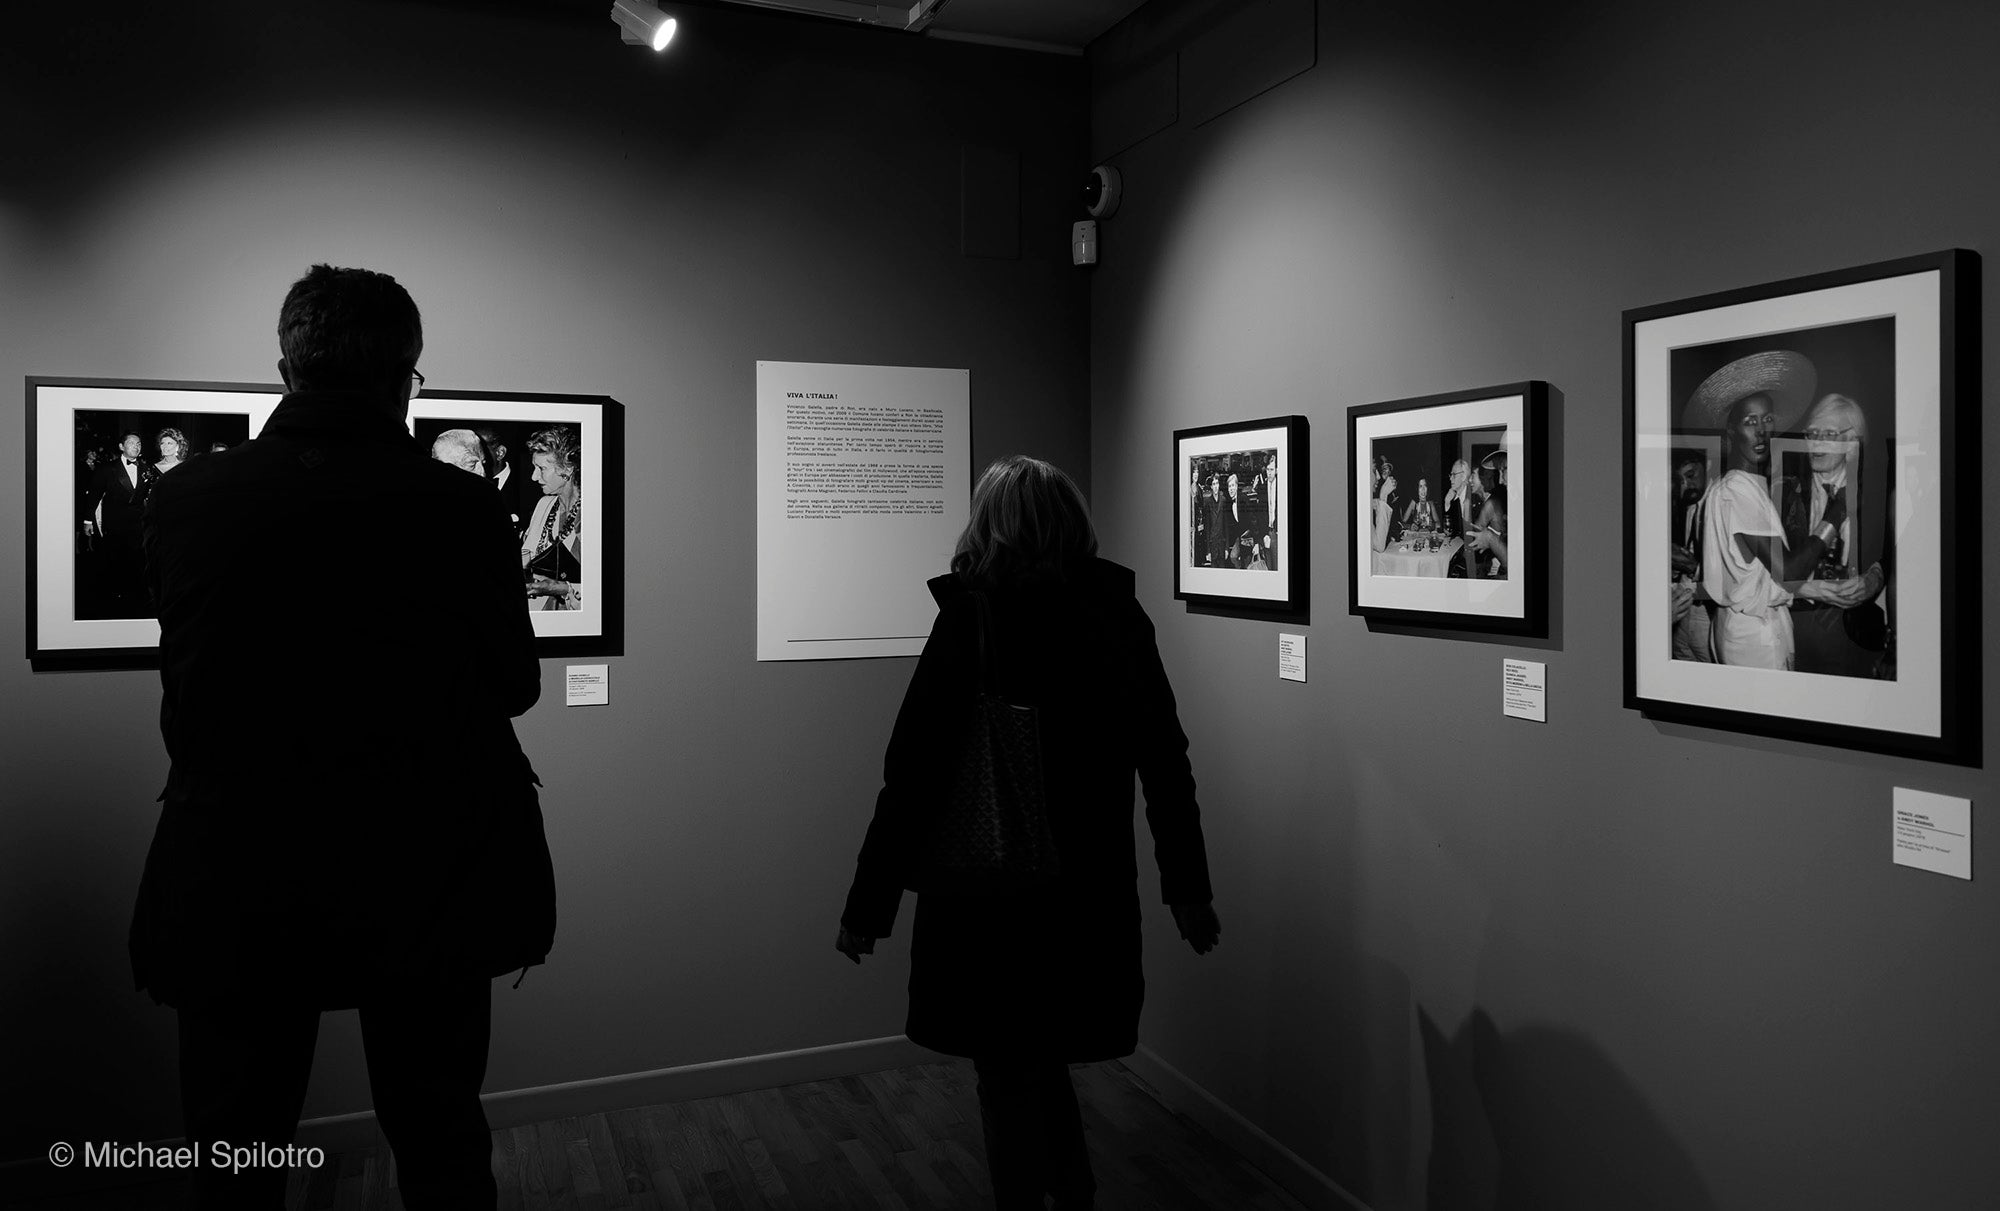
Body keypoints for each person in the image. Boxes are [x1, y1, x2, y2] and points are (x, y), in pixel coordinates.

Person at [131, 264, 553, 1210]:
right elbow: (516, 686)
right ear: (405, 376)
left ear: (287, 369)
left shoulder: (185, 497)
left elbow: (192, 688)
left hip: (238, 860)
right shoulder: (462, 507)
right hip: (428, 861)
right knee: (440, 1138)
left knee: (234, 1146)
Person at [837, 456, 1219, 1211]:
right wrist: (1188, 888)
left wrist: (867, 906)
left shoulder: (972, 618)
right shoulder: (1116, 616)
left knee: (1007, 1065)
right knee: (1038, 1058)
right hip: (1086, 889)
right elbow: (1165, 761)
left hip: (990, 889)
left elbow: (910, 775)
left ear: (991, 525)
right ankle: (1074, 1195)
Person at [1684, 350, 1846, 668]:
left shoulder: (1741, 485)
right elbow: (1788, 572)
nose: (1761, 431)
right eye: (1750, 421)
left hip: (1745, 627)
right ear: (1731, 430)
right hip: (1754, 637)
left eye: (1767, 419)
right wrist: (1835, 515)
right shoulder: (1736, 490)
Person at [1779, 393, 1891, 677]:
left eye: (1828, 434)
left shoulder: (1876, 494)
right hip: (1794, 628)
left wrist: (1875, 578)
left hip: (1856, 636)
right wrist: (1802, 587)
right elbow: (1766, 567)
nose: (1815, 442)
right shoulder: (1783, 492)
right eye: (1812, 433)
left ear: (1852, 444)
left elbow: (1896, 552)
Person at [82, 430, 159, 617]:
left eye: (139, 443)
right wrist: (87, 520)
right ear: (121, 447)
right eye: (132, 443)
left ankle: (135, 597)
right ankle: (114, 596)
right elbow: (94, 496)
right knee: (114, 560)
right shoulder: (107, 469)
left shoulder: (146, 469)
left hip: (138, 524)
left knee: (137, 560)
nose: (136, 446)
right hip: (114, 523)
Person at [522, 424, 582, 610]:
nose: (534, 477)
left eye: (541, 468)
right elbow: (527, 557)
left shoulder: (594, 515)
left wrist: (561, 588)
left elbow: (604, 590)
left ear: (568, 469)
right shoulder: (544, 505)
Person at [1669, 450, 1713, 662]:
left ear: (1708, 466)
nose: (1686, 485)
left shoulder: (1721, 504)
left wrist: (1693, 567)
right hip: (1681, 609)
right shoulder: (1683, 504)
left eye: (1691, 475)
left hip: (1708, 612)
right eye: (1680, 480)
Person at [477, 425, 536, 537]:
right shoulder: (467, 485)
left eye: (478, 449)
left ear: (500, 453)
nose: (472, 455)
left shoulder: (531, 487)